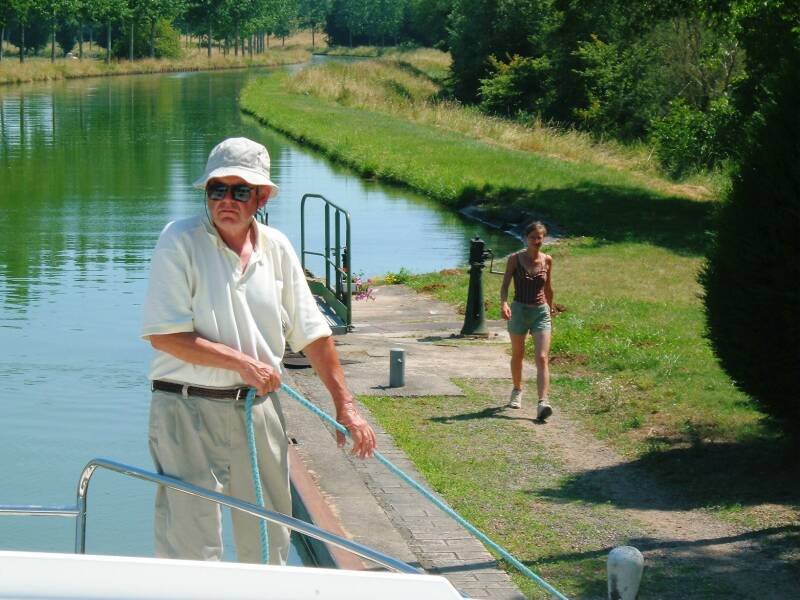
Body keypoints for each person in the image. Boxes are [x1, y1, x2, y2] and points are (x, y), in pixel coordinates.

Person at [141, 137, 377, 565]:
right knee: (189, 547)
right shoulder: (179, 240)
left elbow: (314, 334)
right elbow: (165, 337)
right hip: (183, 406)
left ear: (262, 196)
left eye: (240, 191)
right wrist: (244, 363)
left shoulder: (278, 247)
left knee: (269, 539)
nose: (226, 200)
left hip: (257, 409)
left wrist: (346, 407)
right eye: (217, 189)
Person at [499, 221, 555, 421]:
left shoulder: (547, 260)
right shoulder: (515, 259)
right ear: (525, 238)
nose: (537, 241)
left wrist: (551, 308)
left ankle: (542, 403)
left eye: (540, 237)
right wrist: (504, 303)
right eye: (533, 237)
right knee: (518, 354)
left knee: (541, 357)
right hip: (519, 311)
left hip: (541, 312)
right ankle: (517, 390)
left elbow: (548, 288)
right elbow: (505, 285)